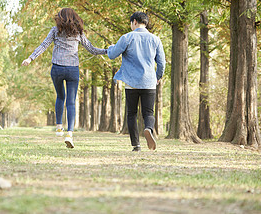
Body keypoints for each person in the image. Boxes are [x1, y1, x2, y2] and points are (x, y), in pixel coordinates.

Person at [22, 8, 107, 148]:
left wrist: (30, 58)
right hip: (73, 69)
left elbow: (44, 45)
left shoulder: (55, 30)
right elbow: (91, 49)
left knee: (60, 96)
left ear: (60, 18)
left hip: (57, 69)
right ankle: (69, 133)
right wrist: (106, 51)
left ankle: (59, 127)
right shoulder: (79, 33)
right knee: (71, 101)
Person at [107, 11, 165, 151]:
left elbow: (113, 54)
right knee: (148, 113)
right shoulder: (155, 39)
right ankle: (148, 129)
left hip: (131, 82)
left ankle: (136, 146)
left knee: (132, 113)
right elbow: (161, 62)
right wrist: (158, 77)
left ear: (134, 22)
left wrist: (110, 48)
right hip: (149, 81)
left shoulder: (127, 37)